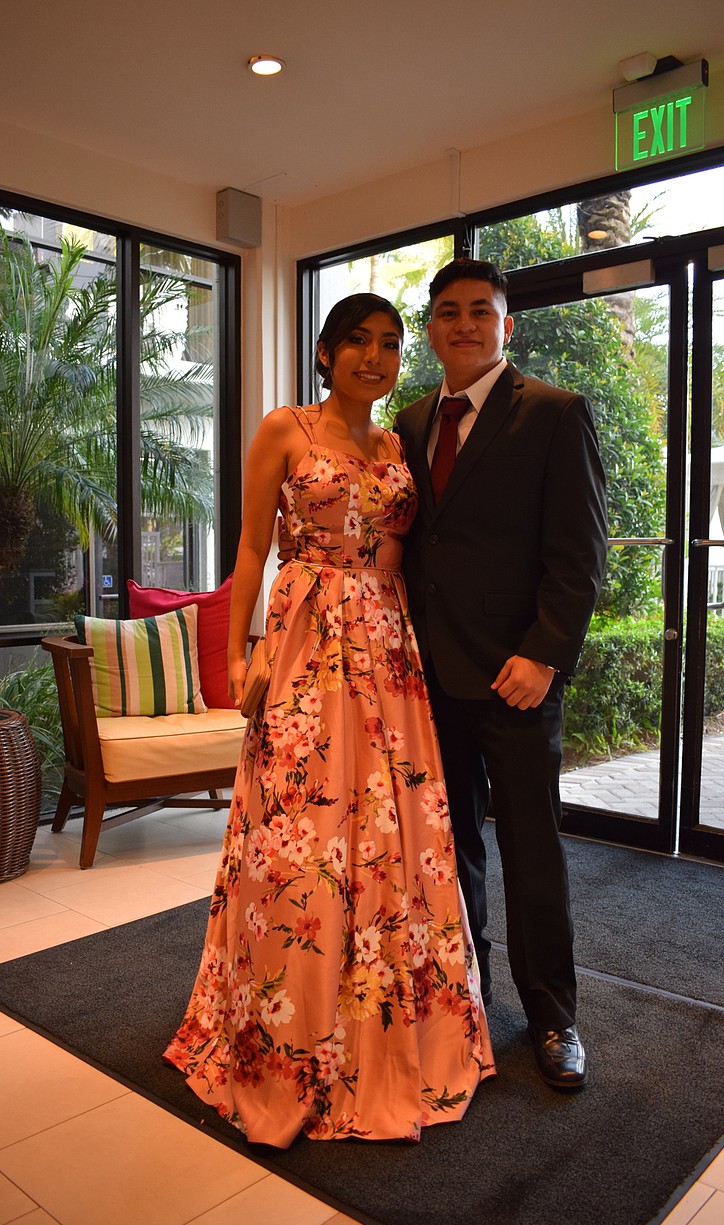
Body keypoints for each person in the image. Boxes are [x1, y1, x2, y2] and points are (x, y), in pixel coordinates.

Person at [164, 293, 495, 1148]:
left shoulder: (397, 444)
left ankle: (383, 1034)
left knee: (391, 836)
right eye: (357, 341)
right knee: (298, 837)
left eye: (389, 344)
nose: (375, 357)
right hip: (306, 637)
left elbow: (399, 550)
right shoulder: (284, 430)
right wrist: (235, 658)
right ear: (324, 351)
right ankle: (286, 1036)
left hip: (386, 653)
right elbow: (246, 548)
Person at [395, 259, 608, 1089]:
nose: (463, 324)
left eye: (480, 311)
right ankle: (466, 993)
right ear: (433, 328)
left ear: (505, 325)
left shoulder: (555, 414)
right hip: (430, 679)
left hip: (517, 679)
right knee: (449, 852)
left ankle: (554, 1016)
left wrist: (546, 654)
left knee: (531, 850)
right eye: (447, 312)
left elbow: (580, 555)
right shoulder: (410, 422)